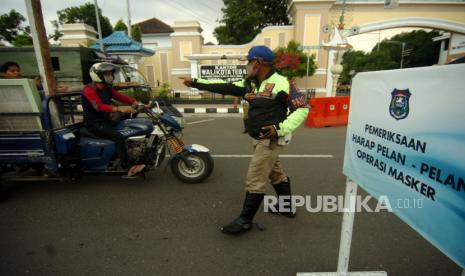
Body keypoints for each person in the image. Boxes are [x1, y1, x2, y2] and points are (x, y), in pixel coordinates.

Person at [180, 45, 310, 235]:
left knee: (255, 179)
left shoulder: (283, 83)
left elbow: (303, 108)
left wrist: (279, 128)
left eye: (249, 61)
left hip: (270, 141)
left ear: (257, 63)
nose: (246, 65)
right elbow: (223, 85)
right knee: (276, 173)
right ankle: (286, 207)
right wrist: (196, 82)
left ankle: (245, 221)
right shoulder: (250, 83)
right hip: (258, 138)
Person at [82, 62, 146, 177]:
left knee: (128, 126)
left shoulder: (106, 88)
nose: (110, 76)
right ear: (97, 75)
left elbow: (119, 96)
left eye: (110, 73)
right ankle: (128, 167)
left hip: (106, 120)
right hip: (95, 124)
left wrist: (135, 102)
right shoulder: (89, 90)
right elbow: (98, 106)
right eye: (106, 74)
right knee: (118, 137)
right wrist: (119, 109)